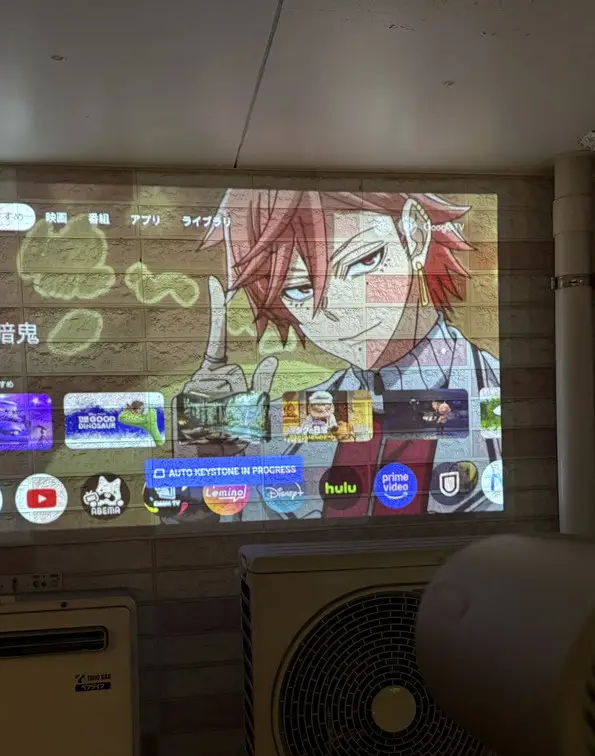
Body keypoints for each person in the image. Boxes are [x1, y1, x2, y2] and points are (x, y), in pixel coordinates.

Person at [182, 190, 502, 518]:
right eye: (299, 289)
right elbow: (212, 522)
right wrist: (216, 454)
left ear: (414, 235)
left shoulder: (499, 393)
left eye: (365, 261)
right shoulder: (286, 426)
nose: (339, 309)